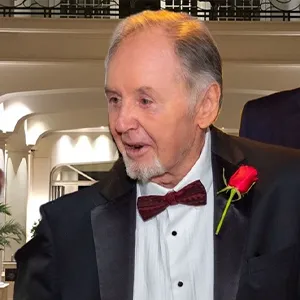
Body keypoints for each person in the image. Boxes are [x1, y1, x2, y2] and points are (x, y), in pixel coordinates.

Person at [14, 10, 300, 300]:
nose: (122, 122)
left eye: (145, 100)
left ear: (205, 106)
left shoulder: (288, 189)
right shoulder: (65, 228)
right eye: (115, 100)